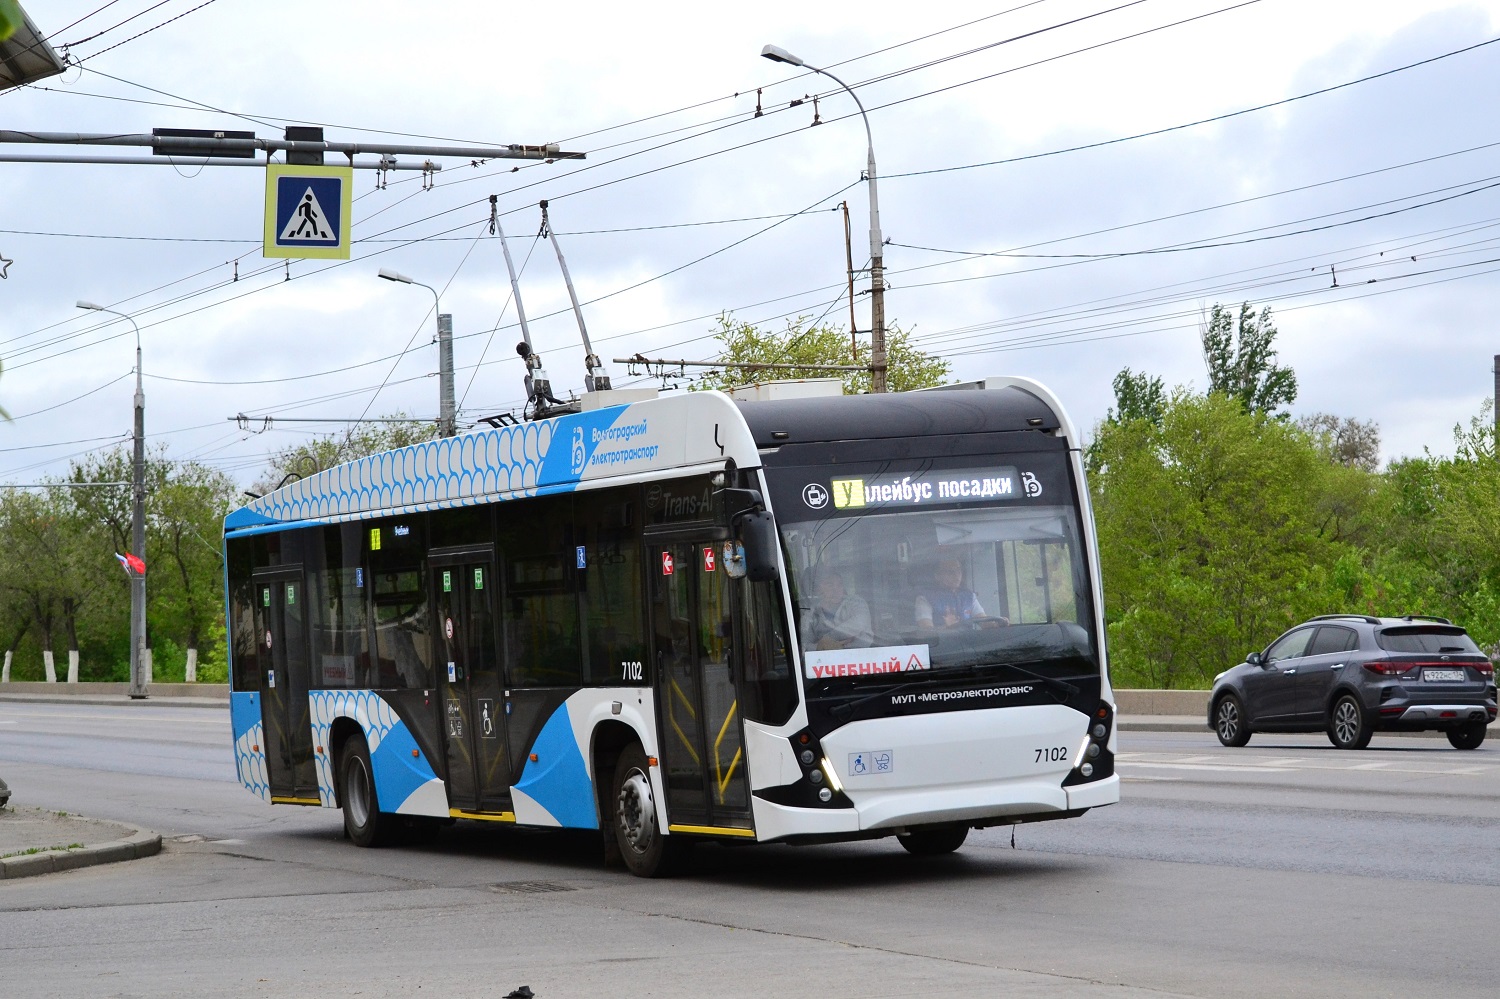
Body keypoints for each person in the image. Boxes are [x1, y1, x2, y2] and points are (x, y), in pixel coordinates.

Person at [803, 568, 873, 651]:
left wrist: (829, 638)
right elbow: (804, 647)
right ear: (818, 589)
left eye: (839, 584)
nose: (836, 589)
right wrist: (822, 646)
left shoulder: (856, 602)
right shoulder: (811, 615)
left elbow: (860, 623)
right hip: (824, 662)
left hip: (861, 659)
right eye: (830, 584)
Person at [916, 558, 989, 629]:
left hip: (969, 640)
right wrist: (946, 628)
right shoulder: (925, 598)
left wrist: (994, 624)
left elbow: (984, 621)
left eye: (958, 570)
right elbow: (926, 631)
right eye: (950, 572)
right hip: (941, 640)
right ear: (937, 576)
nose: (956, 575)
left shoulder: (969, 596)